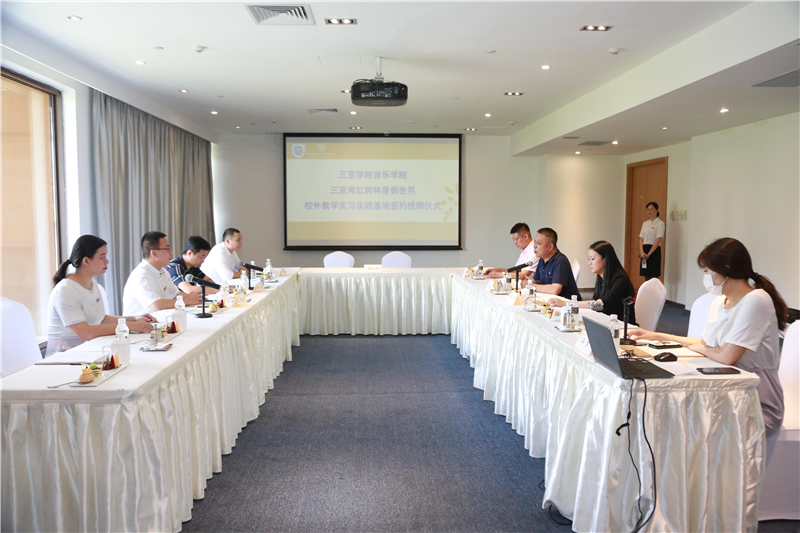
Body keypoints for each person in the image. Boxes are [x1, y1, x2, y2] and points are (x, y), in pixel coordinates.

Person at [629, 238, 787, 435]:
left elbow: (726, 356)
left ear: (726, 269)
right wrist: (657, 336)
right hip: (726, 389)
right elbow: (706, 344)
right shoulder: (720, 302)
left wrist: (704, 349)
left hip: (756, 400)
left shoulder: (756, 300)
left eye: (707, 271)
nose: (705, 277)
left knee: (685, 424)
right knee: (668, 413)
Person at [46, 235, 156, 356]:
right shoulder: (66, 290)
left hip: (89, 349)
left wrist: (134, 319)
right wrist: (129, 326)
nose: (107, 261)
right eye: (102, 257)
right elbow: (85, 333)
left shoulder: (92, 283)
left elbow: (101, 319)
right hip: (65, 356)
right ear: (86, 261)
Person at [547, 240, 635, 323]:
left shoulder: (620, 279)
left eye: (592, 259)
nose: (589, 263)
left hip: (620, 325)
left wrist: (566, 303)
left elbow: (600, 303)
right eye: (589, 259)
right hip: (606, 321)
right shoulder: (601, 277)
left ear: (605, 260)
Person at [122, 231, 201, 316]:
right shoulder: (141, 275)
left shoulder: (163, 272)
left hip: (159, 320)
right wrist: (188, 300)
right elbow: (156, 305)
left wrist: (197, 298)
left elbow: (176, 295)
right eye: (167, 249)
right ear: (154, 253)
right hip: (140, 323)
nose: (171, 252)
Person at [529, 228, 581, 299]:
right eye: (535, 242)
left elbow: (555, 289)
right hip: (551, 299)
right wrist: (529, 282)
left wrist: (533, 287)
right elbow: (536, 281)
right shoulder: (542, 259)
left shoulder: (560, 261)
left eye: (538, 243)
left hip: (567, 302)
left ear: (550, 247)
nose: (534, 246)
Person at [639, 201, 665, 281]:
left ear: (656, 210)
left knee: (653, 276)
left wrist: (649, 254)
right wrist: (642, 252)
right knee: (646, 275)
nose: (649, 211)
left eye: (651, 209)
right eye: (648, 209)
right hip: (645, 251)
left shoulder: (660, 223)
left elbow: (658, 240)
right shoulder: (645, 223)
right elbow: (641, 239)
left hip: (654, 251)